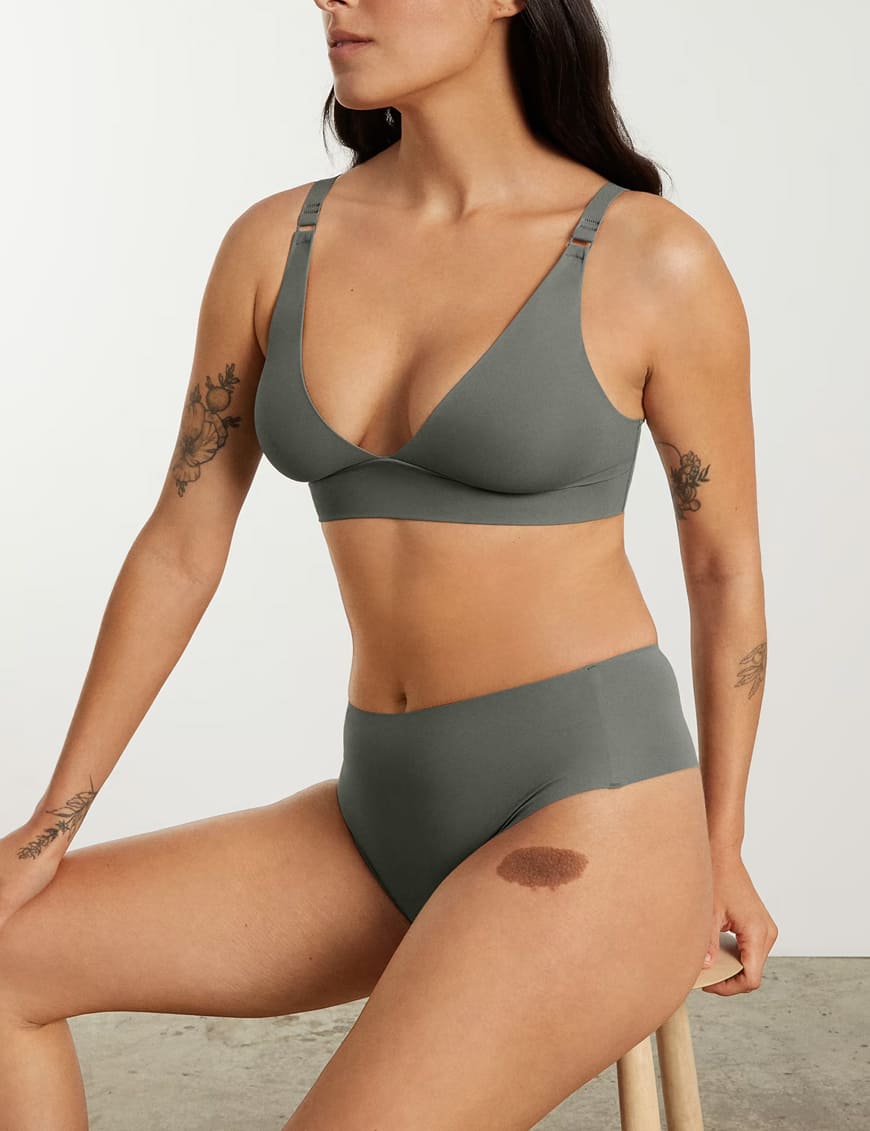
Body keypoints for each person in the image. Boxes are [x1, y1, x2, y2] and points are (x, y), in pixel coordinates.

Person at [0, 1, 778, 1127]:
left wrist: (722, 845)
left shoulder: (651, 257)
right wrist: (50, 825)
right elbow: (180, 546)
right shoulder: (278, 243)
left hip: (593, 819)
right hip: (378, 814)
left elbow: (724, 572)